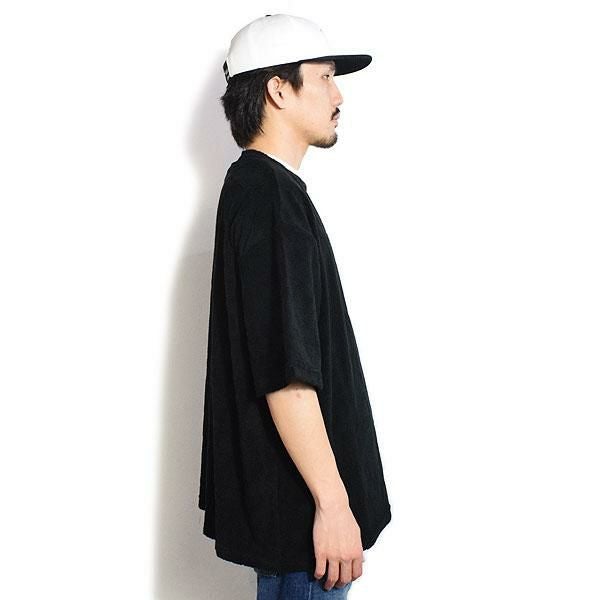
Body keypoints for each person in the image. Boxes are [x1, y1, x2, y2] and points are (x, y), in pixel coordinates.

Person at [198, 14, 392, 599]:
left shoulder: (260, 190)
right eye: (326, 77)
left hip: (295, 528)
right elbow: (286, 375)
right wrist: (333, 505)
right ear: (279, 89)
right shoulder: (268, 199)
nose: (338, 96)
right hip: (306, 532)